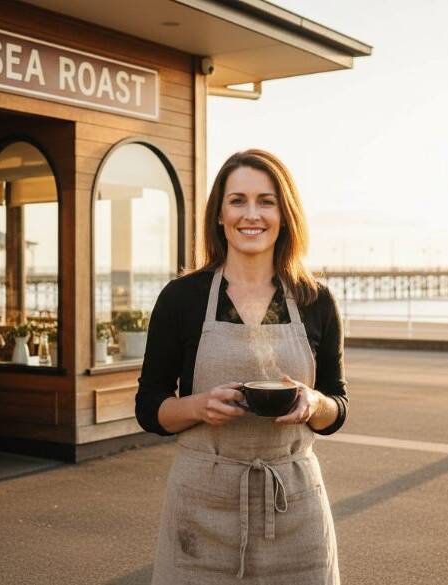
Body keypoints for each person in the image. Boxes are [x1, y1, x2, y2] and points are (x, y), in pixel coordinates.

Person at [136, 149, 348, 584]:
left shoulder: (316, 300)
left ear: (285, 214)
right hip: (200, 509)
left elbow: (337, 406)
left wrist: (314, 404)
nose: (251, 214)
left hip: (295, 509)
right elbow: (148, 405)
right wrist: (198, 407)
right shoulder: (182, 298)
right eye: (237, 201)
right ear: (219, 214)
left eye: (266, 201)